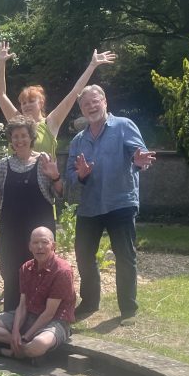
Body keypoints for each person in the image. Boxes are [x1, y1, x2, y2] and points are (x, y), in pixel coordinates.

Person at [66, 85, 155, 322]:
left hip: (120, 201)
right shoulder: (78, 140)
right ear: (82, 110)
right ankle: (90, 303)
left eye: (95, 101)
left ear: (105, 101)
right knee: (83, 253)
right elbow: (70, 175)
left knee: (124, 255)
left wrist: (139, 160)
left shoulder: (124, 126)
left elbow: (140, 156)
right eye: (86, 105)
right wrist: (81, 175)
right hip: (90, 205)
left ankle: (128, 309)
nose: (92, 107)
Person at [0, 115, 64, 311]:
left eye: (23, 135)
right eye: (15, 136)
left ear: (31, 137)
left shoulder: (43, 161)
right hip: (12, 230)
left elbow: (60, 194)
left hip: (40, 230)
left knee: (42, 271)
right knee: (12, 272)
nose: (19, 140)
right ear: (11, 139)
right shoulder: (3, 164)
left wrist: (56, 176)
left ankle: (42, 315)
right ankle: (11, 317)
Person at [0, 43, 117, 156]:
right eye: (23, 102)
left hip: (43, 179)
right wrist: (1, 63)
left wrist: (92, 65)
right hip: (12, 178)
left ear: (41, 103)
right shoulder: (16, 121)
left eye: (31, 101)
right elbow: (1, 95)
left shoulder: (50, 123)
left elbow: (75, 92)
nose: (26, 105)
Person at [0, 226, 76, 360]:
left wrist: (27, 336)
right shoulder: (26, 268)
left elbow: (49, 313)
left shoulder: (62, 271)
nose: (40, 247)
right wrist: (16, 332)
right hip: (29, 316)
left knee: (39, 344)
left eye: (45, 242)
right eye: (35, 243)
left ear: (53, 245)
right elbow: (22, 306)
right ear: (29, 246)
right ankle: (22, 349)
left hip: (55, 320)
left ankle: (9, 352)